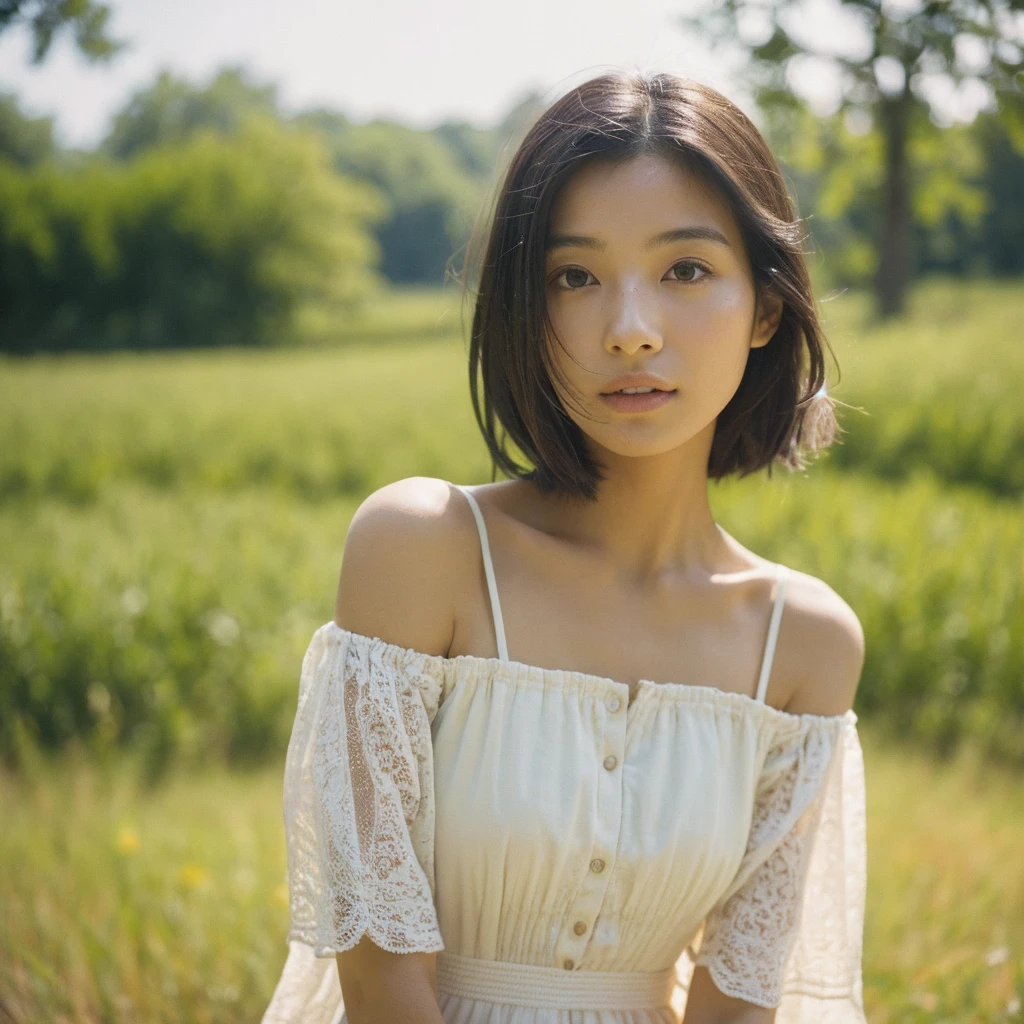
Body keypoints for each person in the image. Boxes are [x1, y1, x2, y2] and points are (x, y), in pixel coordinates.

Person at [261, 69, 868, 1024]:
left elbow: (739, 1005)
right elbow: (380, 969)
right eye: (574, 276)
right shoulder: (423, 551)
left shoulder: (805, 645)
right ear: (525, 308)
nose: (628, 331)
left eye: (686, 270)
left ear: (766, 307)